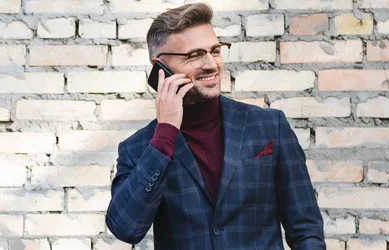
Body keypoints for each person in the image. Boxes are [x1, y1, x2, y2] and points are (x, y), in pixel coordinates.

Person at [105, 3, 325, 249]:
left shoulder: (269, 127)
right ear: (160, 68)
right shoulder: (139, 148)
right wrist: (165, 134)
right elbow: (126, 229)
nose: (211, 64)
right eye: (195, 55)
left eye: (215, 51)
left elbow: (306, 229)